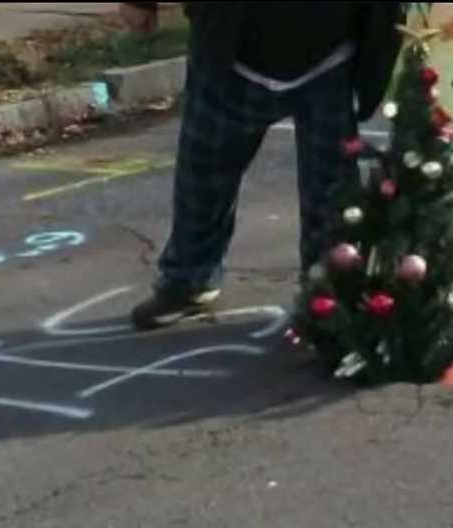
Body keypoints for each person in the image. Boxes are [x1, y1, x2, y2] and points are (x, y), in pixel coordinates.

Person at [119, 2, 405, 330]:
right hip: (234, 49)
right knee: (204, 173)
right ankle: (189, 279)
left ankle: (327, 292)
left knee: (331, 191)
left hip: (331, 51)